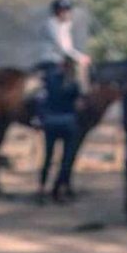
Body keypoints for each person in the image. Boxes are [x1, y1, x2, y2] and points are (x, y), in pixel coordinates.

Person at [37, 57, 82, 201]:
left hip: (50, 122)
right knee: (66, 158)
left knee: (48, 156)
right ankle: (59, 189)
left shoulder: (50, 80)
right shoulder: (74, 84)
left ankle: (42, 188)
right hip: (68, 122)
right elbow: (79, 104)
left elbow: (41, 98)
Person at [40, 0, 90, 91]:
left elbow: (68, 47)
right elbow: (63, 47)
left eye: (68, 10)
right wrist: (80, 57)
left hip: (62, 61)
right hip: (51, 61)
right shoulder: (51, 25)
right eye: (64, 11)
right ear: (57, 12)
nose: (67, 13)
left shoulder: (64, 25)